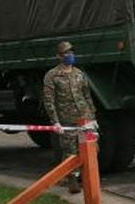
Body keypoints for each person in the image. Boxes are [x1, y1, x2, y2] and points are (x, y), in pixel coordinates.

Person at [42, 41, 97, 194]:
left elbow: (87, 96)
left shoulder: (79, 74)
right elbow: (49, 100)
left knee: (91, 149)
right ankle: (72, 180)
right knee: (70, 152)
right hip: (67, 120)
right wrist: (55, 122)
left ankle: (88, 180)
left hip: (84, 119)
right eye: (66, 53)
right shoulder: (52, 76)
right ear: (59, 56)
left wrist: (92, 116)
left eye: (72, 52)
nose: (70, 55)